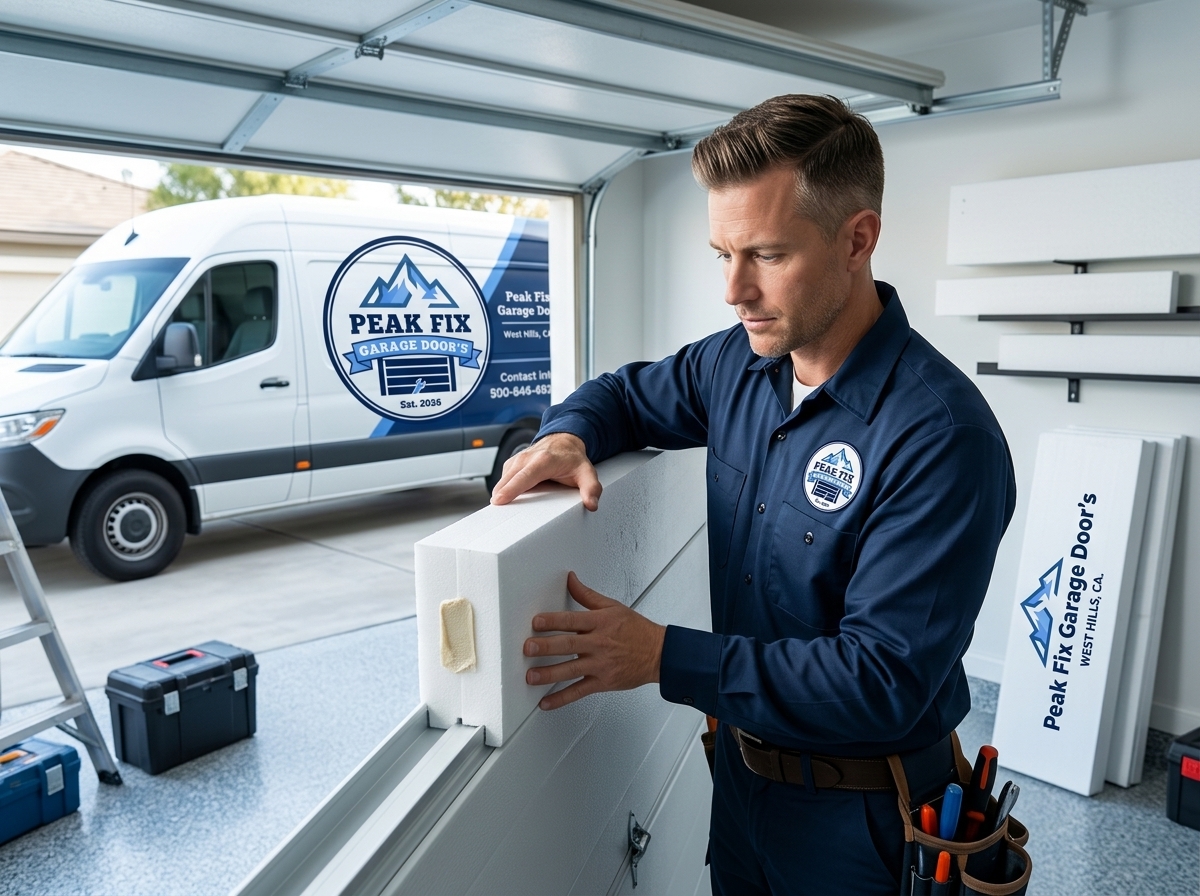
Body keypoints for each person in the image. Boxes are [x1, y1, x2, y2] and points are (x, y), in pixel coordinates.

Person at [490, 94, 1016, 895]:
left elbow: (880, 682)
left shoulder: (942, 438)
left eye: (767, 255)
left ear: (858, 239)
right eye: (721, 254)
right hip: (741, 788)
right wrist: (567, 435)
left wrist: (661, 655)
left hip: (861, 821)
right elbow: (625, 396)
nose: (734, 290)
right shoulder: (738, 367)